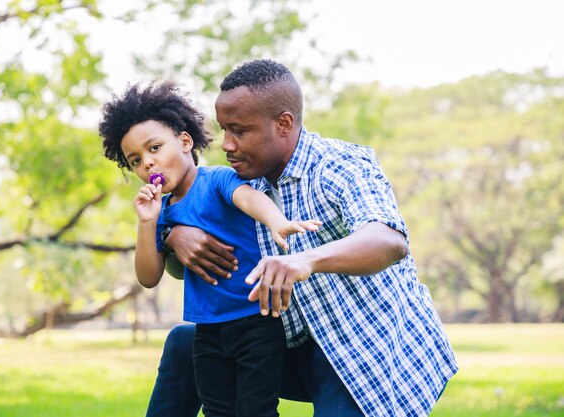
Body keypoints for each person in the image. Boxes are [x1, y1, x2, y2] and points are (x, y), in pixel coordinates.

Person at [145, 60, 458, 417]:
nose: (227, 144)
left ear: (284, 124)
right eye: (224, 130)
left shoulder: (340, 165)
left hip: (368, 349)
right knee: (185, 343)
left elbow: (388, 241)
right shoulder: (245, 183)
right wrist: (171, 234)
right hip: (291, 343)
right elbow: (179, 266)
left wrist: (305, 260)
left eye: (239, 130)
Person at [98, 81, 321, 417]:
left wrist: (277, 222)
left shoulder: (215, 180)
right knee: (218, 411)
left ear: (185, 141)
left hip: (256, 322)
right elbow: (148, 276)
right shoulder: (161, 213)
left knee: (255, 410)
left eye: (154, 148)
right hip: (208, 330)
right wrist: (147, 223)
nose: (147, 163)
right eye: (135, 160)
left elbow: (248, 198)